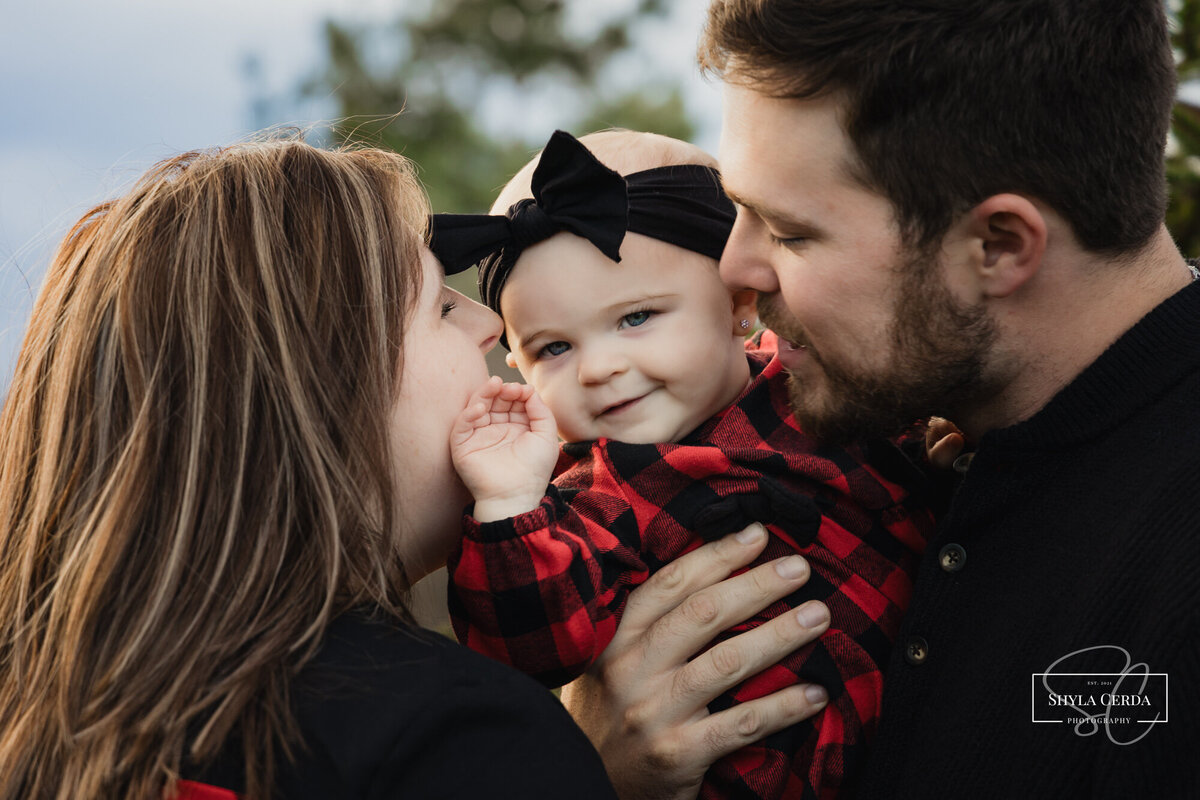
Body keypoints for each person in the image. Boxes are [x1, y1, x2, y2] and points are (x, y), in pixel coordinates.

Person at [0, 138, 830, 800]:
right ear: (328, 390)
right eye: (438, 303)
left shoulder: (49, 723)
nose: (486, 328)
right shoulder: (452, 738)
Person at [687, 0, 1200, 796]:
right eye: (736, 209)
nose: (734, 268)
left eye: (789, 232)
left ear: (998, 246)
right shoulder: (888, 446)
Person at [430, 128, 941, 799]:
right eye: (554, 347)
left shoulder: (822, 388)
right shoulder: (590, 500)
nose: (600, 366)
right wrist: (506, 509)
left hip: (937, 717)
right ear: (519, 366)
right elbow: (534, 650)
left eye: (636, 317)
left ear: (738, 303)